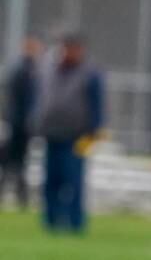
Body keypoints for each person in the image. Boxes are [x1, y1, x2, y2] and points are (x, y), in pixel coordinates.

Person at [34, 32, 104, 233]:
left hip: (77, 136)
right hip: (52, 133)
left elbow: (97, 106)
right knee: (52, 179)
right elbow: (40, 99)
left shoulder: (90, 73)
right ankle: (51, 221)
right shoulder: (50, 68)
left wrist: (94, 133)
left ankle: (75, 222)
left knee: (73, 180)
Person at [0, 36, 42, 209]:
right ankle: (20, 196)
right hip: (18, 125)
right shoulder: (23, 70)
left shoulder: (28, 69)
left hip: (19, 124)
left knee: (15, 162)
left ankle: (20, 196)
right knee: (14, 161)